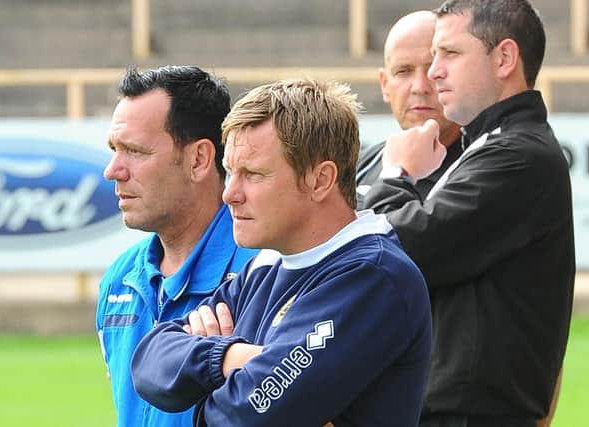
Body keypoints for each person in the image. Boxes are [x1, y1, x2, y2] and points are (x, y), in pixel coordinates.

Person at [130, 79, 432, 427]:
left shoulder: (374, 276)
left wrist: (205, 385)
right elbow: (148, 364)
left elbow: (239, 418)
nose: (230, 194)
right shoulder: (266, 266)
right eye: (230, 173)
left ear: (320, 180)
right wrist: (227, 356)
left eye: (253, 175)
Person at [361, 1, 575, 426]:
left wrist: (396, 173)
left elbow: (394, 249)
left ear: (505, 58)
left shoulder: (519, 156)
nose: (434, 74)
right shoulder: (494, 145)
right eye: (411, 67)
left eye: (449, 54)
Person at [96, 65, 258, 427]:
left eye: (135, 151)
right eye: (114, 149)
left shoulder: (263, 273)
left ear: (199, 159)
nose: (113, 169)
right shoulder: (119, 280)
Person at [356, 10, 462, 203]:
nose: (420, 87)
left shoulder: (481, 172)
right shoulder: (362, 166)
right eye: (403, 71)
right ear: (384, 84)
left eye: (433, 71)